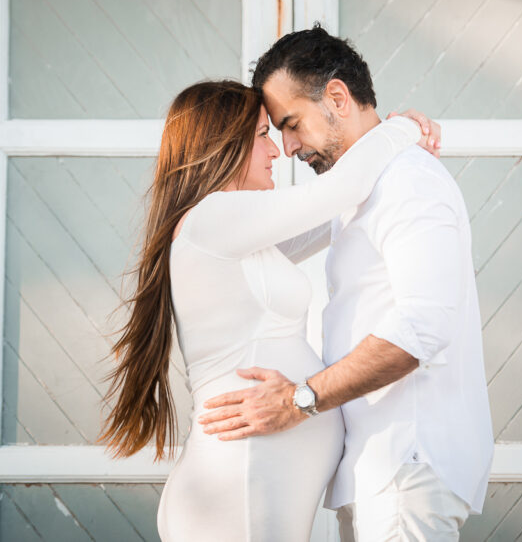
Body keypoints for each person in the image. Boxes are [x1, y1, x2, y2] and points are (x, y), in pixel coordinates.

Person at [100, 80, 439, 541]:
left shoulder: (229, 233)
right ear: (223, 145)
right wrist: (400, 130)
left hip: (251, 487)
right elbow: (340, 191)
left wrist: (390, 158)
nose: (277, 150)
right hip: (238, 488)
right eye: (262, 134)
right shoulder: (211, 218)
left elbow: (333, 215)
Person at [198, 27, 494, 541]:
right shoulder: (357, 189)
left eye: (291, 125)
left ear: (337, 97)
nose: (287, 148)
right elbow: (265, 246)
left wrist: (297, 401)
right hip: (379, 469)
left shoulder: (408, 182)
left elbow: (423, 326)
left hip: (406, 464)